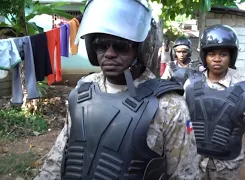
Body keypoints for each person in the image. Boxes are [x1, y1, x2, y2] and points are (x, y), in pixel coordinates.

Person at [33, 0, 200, 179]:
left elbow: (184, 173)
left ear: (141, 48)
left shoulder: (168, 104)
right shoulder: (83, 91)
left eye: (121, 46)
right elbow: (59, 156)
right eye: (101, 45)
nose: (110, 53)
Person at [183, 24, 245, 180]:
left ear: (231, 56)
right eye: (212, 54)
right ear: (205, 56)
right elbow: (180, 122)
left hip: (227, 166)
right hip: (195, 162)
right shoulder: (190, 85)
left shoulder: (243, 89)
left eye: (223, 54)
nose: (217, 59)